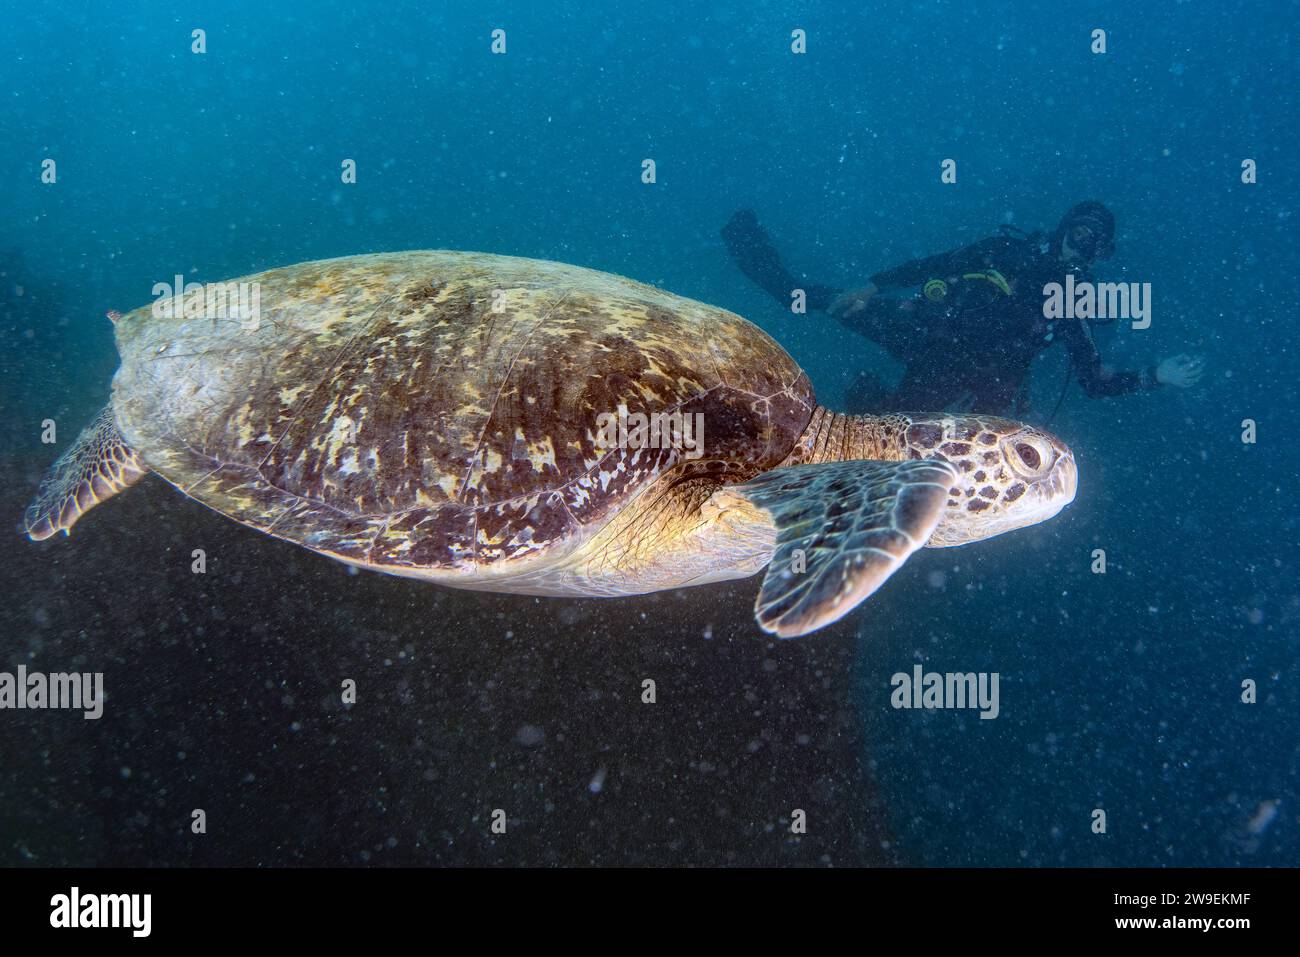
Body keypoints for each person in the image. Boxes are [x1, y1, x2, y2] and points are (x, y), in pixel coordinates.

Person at [721, 203, 1204, 415]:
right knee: (811, 297)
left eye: (1096, 245)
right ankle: (749, 246)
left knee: (899, 443)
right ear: (1062, 230)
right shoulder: (1008, 251)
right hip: (925, 331)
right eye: (1079, 234)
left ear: (1103, 255)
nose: (1083, 248)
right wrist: (873, 284)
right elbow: (939, 263)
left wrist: (1154, 375)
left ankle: (867, 410)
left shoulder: (1078, 302)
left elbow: (1094, 382)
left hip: (981, 385)